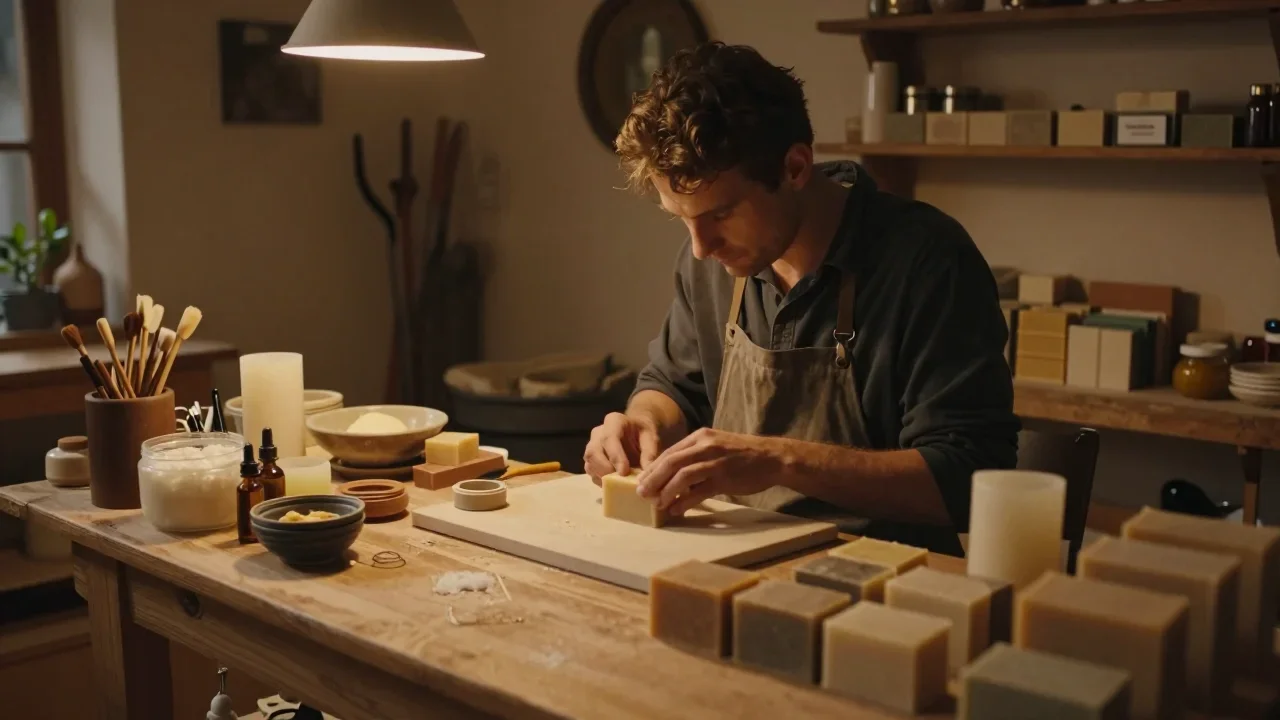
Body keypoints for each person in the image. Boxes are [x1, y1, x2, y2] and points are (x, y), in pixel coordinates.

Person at [583, 42, 1019, 555]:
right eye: (680, 217)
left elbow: (968, 479)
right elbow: (674, 385)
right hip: (736, 558)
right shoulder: (714, 262)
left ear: (794, 167)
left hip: (885, 581)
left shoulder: (928, 261)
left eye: (720, 214)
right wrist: (643, 423)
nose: (700, 247)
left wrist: (778, 461)